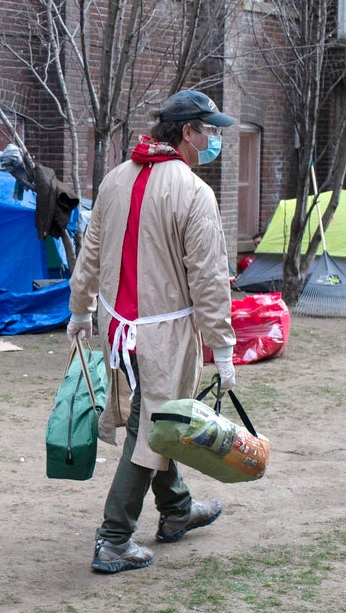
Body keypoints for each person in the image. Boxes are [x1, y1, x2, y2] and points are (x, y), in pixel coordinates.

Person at [66, 89, 237, 574]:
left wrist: (80, 311)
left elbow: (90, 252)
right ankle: (114, 537)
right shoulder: (193, 191)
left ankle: (177, 510)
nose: (214, 138)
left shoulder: (116, 179)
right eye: (210, 129)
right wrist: (223, 348)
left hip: (118, 330)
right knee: (152, 427)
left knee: (158, 418)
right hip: (162, 335)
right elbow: (208, 276)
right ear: (188, 132)